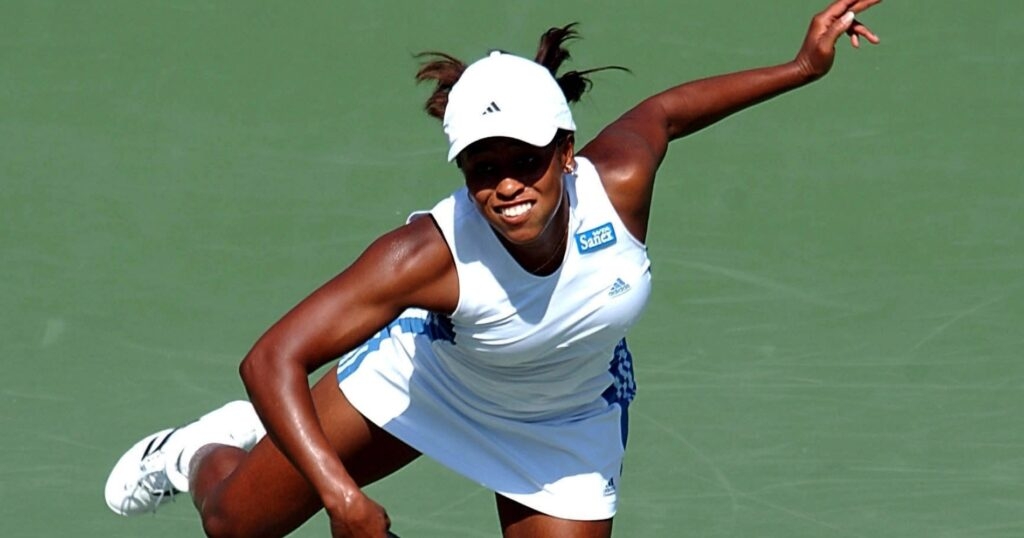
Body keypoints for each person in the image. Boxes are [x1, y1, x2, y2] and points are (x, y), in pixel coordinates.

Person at [104, 1, 882, 536]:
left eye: (524, 159)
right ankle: (192, 451)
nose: (504, 184)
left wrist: (801, 67)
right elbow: (271, 356)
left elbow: (667, 111)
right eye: (481, 165)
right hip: (430, 385)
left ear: (565, 151)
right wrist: (343, 499)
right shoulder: (427, 256)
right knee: (233, 525)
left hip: (564, 424)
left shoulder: (617, 185)